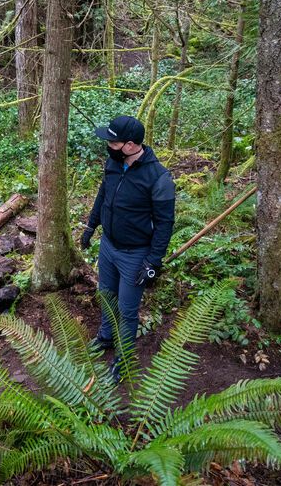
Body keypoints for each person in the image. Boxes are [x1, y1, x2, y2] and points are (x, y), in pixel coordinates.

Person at [81, 115, 175, 380]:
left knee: (127, 309)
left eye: (113, 141)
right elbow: (103, 195)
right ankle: (106, 337)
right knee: (106, 295)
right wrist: (91, 226)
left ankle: (124, 359)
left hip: (135, 255)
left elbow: (165, 223)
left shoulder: (158, 178)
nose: (109, 145)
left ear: (131, 145)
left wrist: (153, 262)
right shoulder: (114, 163)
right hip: (108, 246)